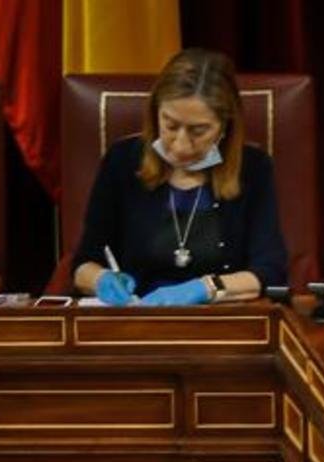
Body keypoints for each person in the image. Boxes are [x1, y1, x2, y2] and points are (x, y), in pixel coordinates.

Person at [69, 48, 288, 307]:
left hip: (220, 323)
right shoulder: (122, 161)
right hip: (138, 319)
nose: (181, 146)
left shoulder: (253, 168)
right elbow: (83, 263)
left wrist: (206, 288)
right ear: (155, 114)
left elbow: (270, 271)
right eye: (171, 126)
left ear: (224, 126)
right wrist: (101, 279)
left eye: (199, 130)